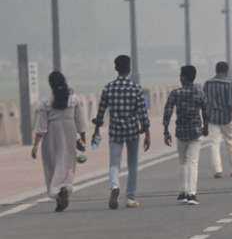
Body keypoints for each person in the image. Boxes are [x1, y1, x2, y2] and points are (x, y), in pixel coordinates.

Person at [92, 55, 151, 209]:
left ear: (116, 68)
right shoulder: (135, 88)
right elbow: (142, 113)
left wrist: (96, 130)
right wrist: (147, 133)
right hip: (132, 130)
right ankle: (130, 197)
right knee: (132, 164)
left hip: (115, 130)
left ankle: (114, 186)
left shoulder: (108, 88)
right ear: (129, 69)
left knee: (114, 162)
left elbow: (101, 112)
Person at [31, 71, 86, 212]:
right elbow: (80, 121)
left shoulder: (46, 102)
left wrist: (35, 146)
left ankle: (57, 192)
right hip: (70, 134)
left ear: (51, 84)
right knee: (67, 164)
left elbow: (41, 127)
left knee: (52, 166)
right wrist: (82, 137)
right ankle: (65, 188)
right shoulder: (74, 99)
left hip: (52, 137)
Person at [163, 65, 208, 205]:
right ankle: (191, 194)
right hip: (195, 131)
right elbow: (206, 111)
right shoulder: (199, 92)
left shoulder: (176, 93)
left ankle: (183, 192)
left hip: (181, 132)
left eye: (180, 75)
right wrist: (206, 126)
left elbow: (168, 112)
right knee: (193, 162)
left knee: (182, 162)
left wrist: (166, 130)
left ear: (183, 77)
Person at [204, 62, 232, 178]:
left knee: (214, 144)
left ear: (216, 70)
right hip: (226, 117)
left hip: (212, 117)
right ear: (226, 71)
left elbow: (204, 102)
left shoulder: (208, 83)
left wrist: (204, 120)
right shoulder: (229, 84)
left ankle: (217, 170)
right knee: (230, 142)